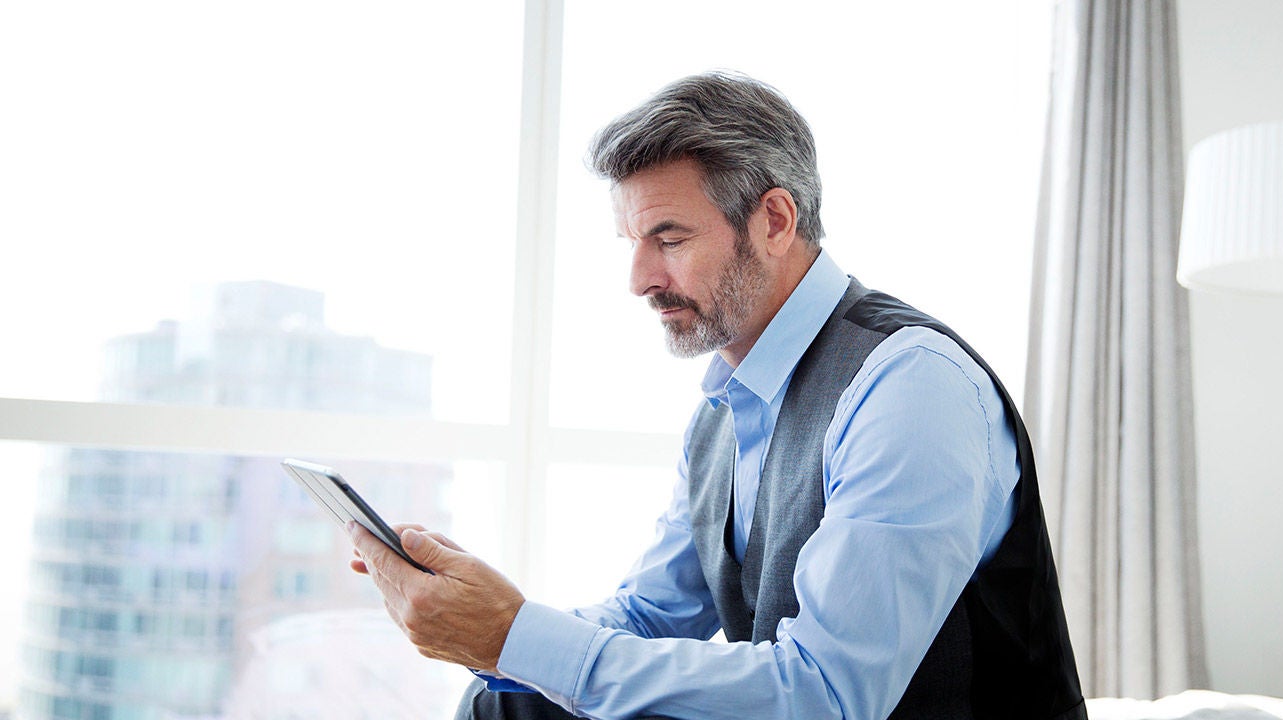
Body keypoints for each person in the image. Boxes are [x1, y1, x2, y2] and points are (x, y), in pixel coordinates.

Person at [347, 71, 1087, 720]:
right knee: (501, 704)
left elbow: (825, 693)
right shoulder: (728, 411)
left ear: (773, 220)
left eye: (668, 239)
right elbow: (650, 615)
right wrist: (490, 626)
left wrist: (510, 634)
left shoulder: (912, 385)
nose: (638, 279)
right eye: (632, 244)